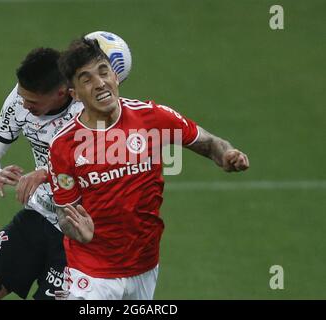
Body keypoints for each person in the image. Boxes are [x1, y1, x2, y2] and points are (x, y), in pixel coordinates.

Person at [48, 37, 250, 300]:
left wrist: (227, 155)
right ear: (74, 94)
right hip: (91, 272)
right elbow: (66, 211)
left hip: (144, 265)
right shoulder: (64, 145)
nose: (99, 83)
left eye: (103, 71)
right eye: (86, 79)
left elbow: (210, 143)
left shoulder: (152, 117)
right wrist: (77, 231)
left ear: (115, 76)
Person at [0, 47, 93, 300]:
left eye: (33, 102)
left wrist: (44, 173)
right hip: (37, 216)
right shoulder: (20, 101)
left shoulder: (88, 113)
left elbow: (93, 170)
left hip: (77, 233)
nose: (24, 106)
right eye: (22, 97)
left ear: (61, 93)